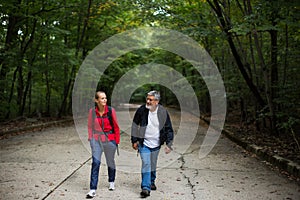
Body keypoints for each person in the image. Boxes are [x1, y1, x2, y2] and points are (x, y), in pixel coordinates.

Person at [131, 90, 174, 198]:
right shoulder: (142, 110)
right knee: (146, 163)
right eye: (147, 99)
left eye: (150, 99)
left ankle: (151, 181)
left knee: (153, 163)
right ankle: (145, 188)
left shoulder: (163, 112)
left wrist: (169, 144)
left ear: (157, 101)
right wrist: (134, 140)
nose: (148, 101)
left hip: (156, 143)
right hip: (144, 142)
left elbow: (169, 128)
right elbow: (135, 125)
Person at [86, 91, 120, 199]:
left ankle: (111, 181)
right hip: (96, 140)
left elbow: (116, 127)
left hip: (110, 140)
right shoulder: (92, 112)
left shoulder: (111, 111)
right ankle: (92, 189)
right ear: (96, 100)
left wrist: (116, 142)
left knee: (110, 161)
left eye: (105, 98)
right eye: (102, 98)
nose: (104, 100)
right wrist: (91, 139)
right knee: (95, 162)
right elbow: (90, 127)